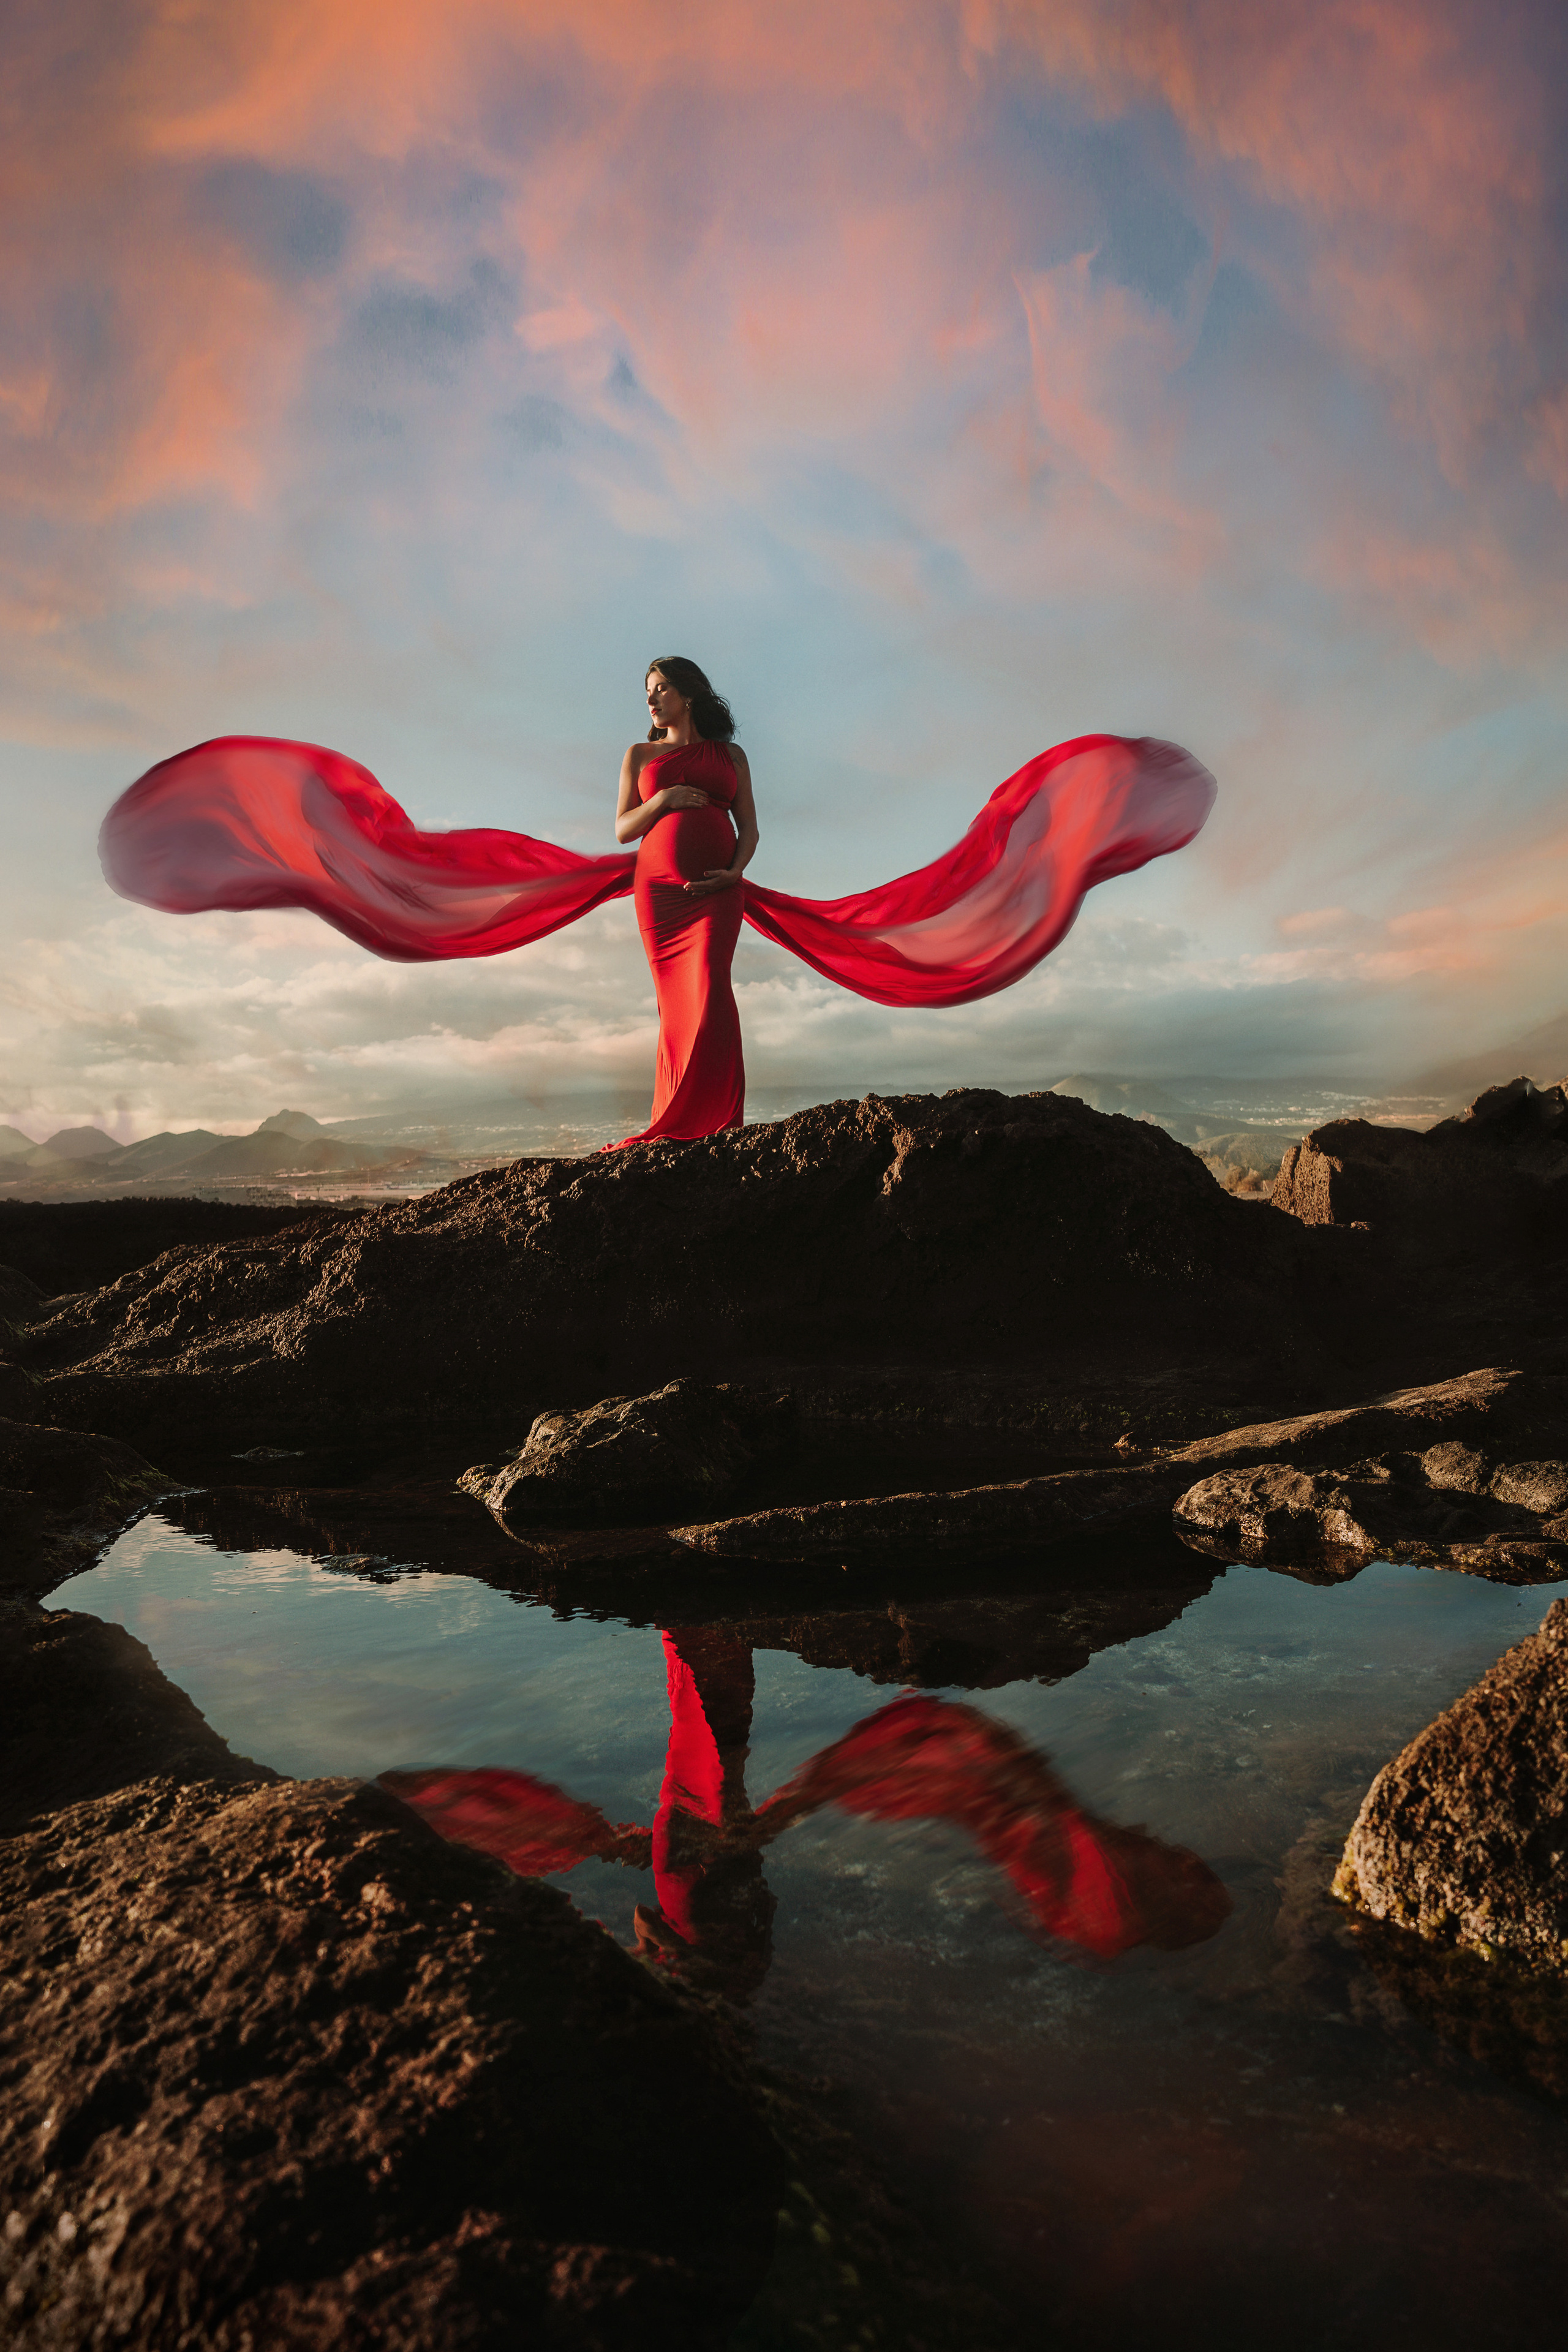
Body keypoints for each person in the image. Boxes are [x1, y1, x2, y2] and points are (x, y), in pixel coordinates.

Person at [607, 658, 760, 1148]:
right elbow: (623, 829)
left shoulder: (730, 756)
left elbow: (750, 829)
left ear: (688, 695)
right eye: (647, 692)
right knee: (675, 1005)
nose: (651, 699)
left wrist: (734, 873)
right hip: (660, 896)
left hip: (719, 891)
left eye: (661, 688)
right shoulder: (640, 755)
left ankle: (716, 1120)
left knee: (712, 988)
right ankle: (676, 1120)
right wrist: (664, 800)